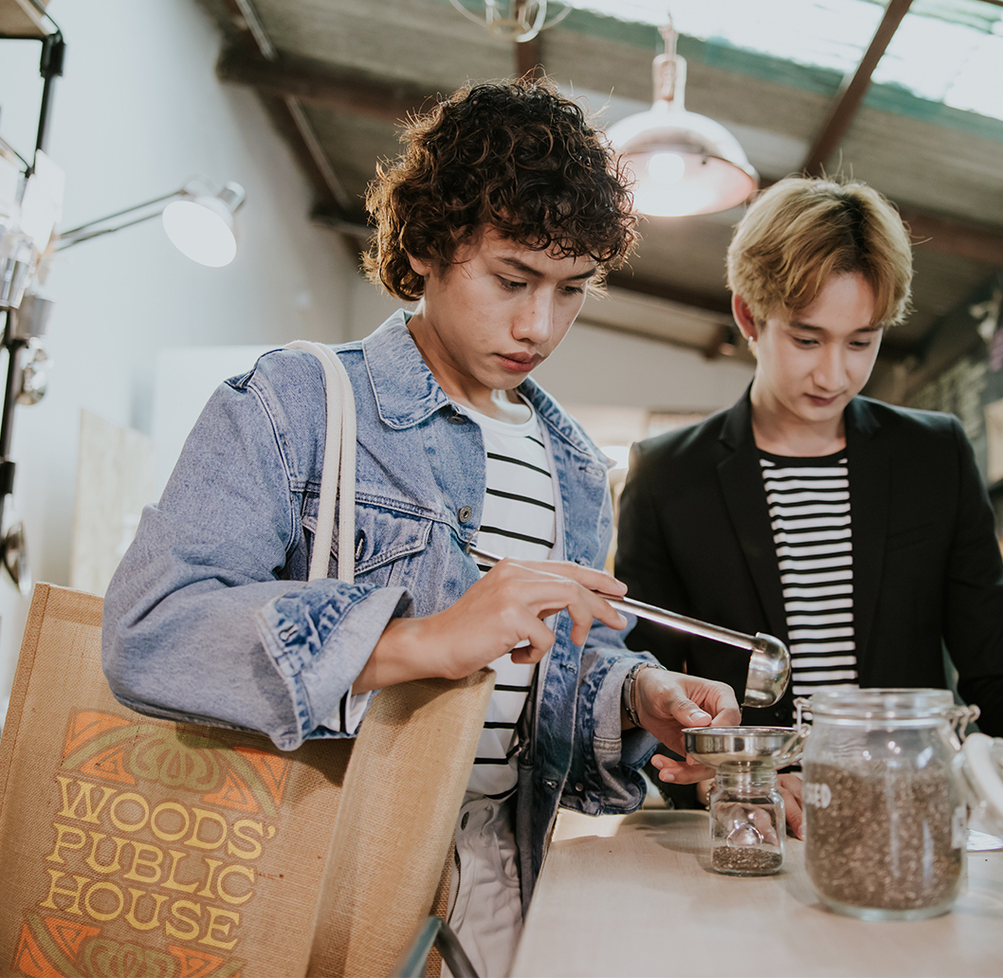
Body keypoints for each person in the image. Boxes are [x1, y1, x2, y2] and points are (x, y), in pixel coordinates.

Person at [102, 78, 739, 978]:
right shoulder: (298, 404)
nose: (538, 325)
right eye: (512, 279)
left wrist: (638, 696)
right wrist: (421, 640)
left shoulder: (575, 466)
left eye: (571, 291)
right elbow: (148, 635)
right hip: (312, 864)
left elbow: (547, 673)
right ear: (433, 247)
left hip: (501, 875)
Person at [615, 175, 1003, 821]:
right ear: (749, 315)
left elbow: (999, 665)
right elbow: (644, 690)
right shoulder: (670, 474)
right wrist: (722, 783)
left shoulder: (932, 455)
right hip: (754, 829)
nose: (835, 375)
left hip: (908, 819)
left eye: (861, 342)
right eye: (807, 339)